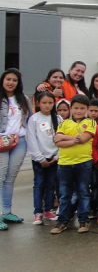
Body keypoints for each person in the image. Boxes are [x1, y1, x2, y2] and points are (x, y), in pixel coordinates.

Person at [50, 94, 96, 234]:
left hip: (83, 163)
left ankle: (83, 220)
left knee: (83, 192)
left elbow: (84, 139)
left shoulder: (90, 123)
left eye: (82, 108)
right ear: (71, 108)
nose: (78, 111)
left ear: (87, 109)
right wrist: (70, 139)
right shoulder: (64, 123)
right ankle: (62, 221)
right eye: (76, 108)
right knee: (64, 194)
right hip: (64, 164)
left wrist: (64, 138)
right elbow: (57, 142)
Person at [0, 68, 32, 230]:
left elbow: (30, 120)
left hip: (19, 141)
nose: (11, 82)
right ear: (3, 80)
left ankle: (6, 211)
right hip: (1, 141)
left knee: (10, 178)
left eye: (14, 80)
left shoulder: (24, 99)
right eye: (8, 79)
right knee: (0, 176)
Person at [26, 90, 60, 225]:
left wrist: (57, 156)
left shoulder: (58, 119)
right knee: (39, 185)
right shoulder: (34, 119)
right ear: (38, 103)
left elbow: (60, 139)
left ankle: (48, 209)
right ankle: (38, 212)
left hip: (54, 158)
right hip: (39, 160)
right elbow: (32, 140)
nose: (47, 105)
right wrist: (40, 158)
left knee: (51, 185)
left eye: (50, 103)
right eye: (44, 103)